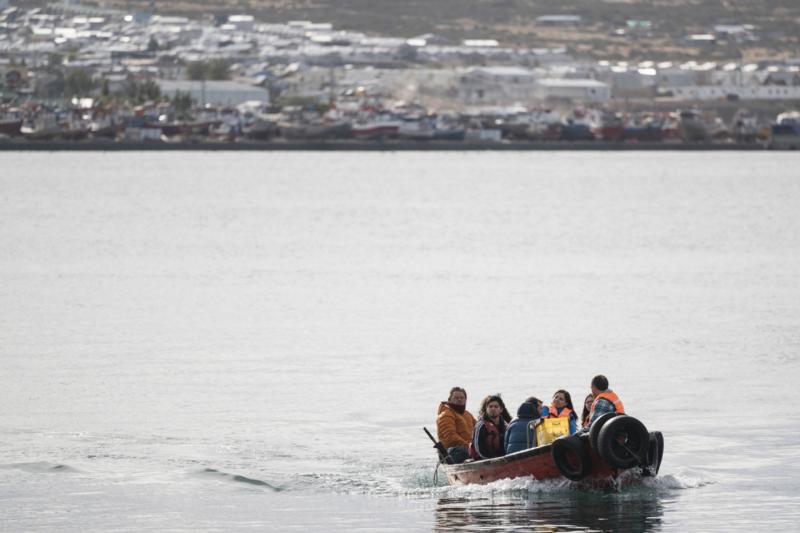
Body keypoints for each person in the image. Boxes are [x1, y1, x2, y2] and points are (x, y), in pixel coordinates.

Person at [436, 387, 476, 463]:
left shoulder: (467, 414)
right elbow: (450, 438)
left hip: (469, 449)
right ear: (449, 400)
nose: (459, 399)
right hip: (452, 453)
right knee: (462, 451)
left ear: (465, 400)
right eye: (456, 398)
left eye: (462, 397)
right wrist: (470, 447)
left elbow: (479, 430)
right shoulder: (445, 415)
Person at [469, 394, 512, 460]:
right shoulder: (481, 426)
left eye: (496, 406)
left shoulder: (505, 425)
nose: (493, 409)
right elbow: (478, 448)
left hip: (501, 458)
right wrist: (492, 460)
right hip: (483, 459)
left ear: (501, 409)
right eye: (490, 406)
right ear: (486, 409)